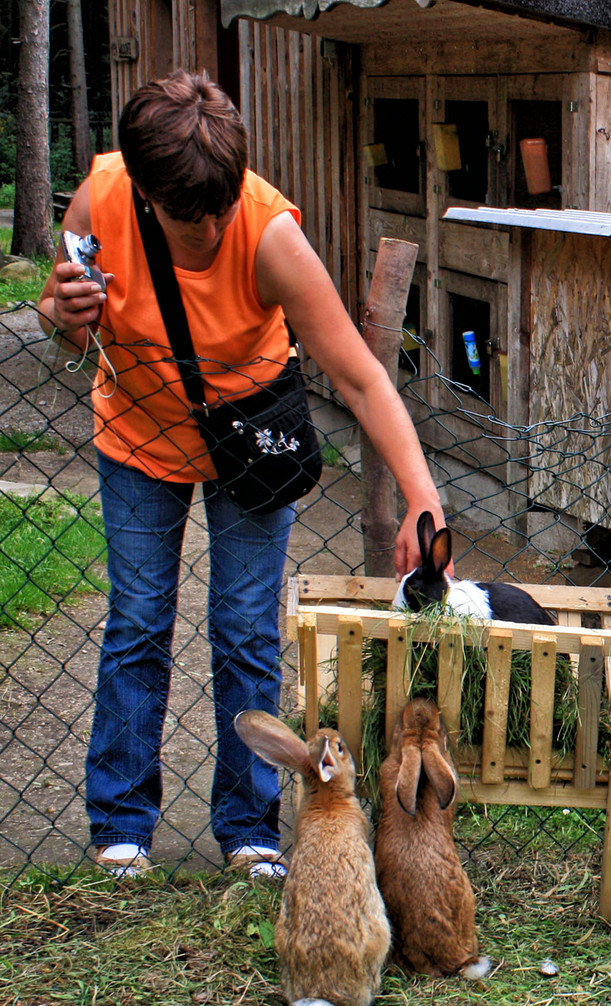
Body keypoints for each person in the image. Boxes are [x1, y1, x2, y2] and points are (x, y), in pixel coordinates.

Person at [36, 70, 446, 880]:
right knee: (139, 624)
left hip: (250, 444)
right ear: (149, 197)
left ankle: (249, 829)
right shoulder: (100, 200)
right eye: (194, 222)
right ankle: (120, 824)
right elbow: (69, 335)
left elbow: (363, 378)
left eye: (223, 208)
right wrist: (60, 316)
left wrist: (423, 495)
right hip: (137, 433)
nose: (214, 229)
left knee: (247, 631)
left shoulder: (269, 236)